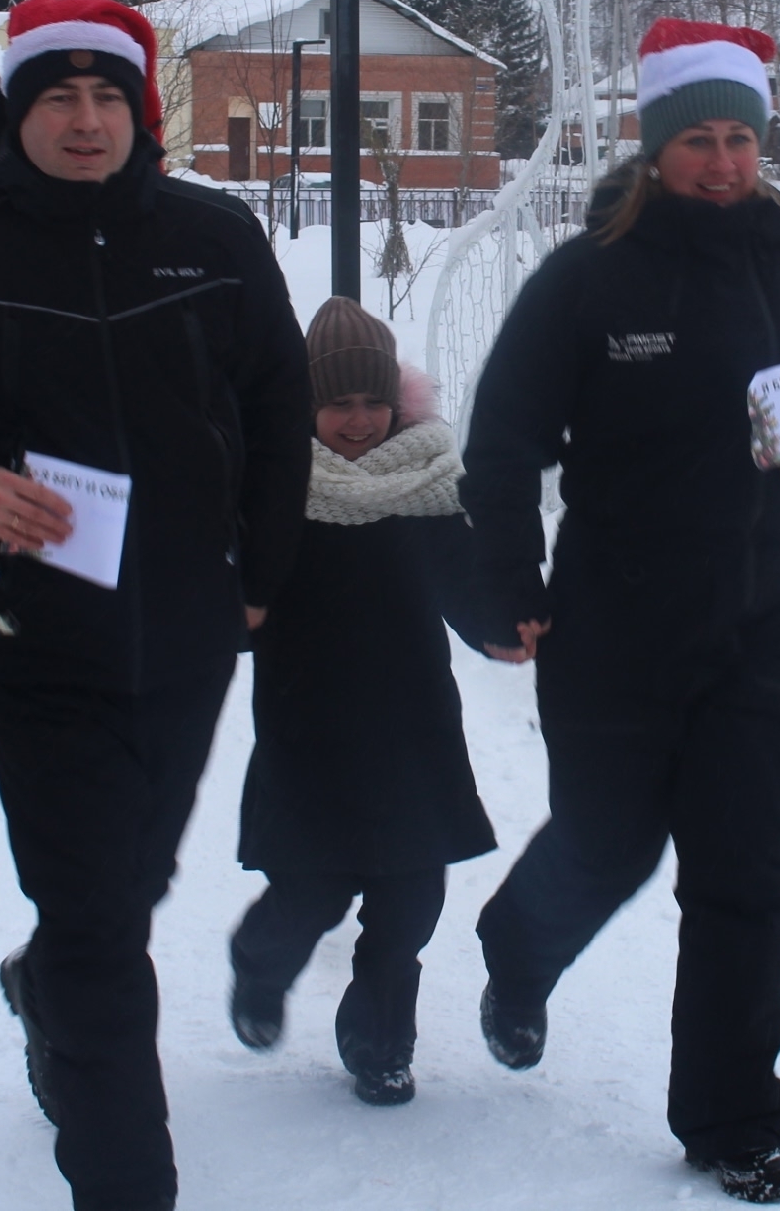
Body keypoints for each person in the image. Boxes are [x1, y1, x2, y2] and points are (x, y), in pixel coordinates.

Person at [0, 0, 311, 1211]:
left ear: (140, 112)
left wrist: (257, 580)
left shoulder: (214, 235)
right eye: (59, 96)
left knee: (125, 885)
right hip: (36, 633)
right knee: (100, 922)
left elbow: (276, 416)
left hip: (192, 630)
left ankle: (44, 985)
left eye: (109, 97)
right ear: (20, 110)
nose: (86, 120)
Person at [461, 19, 780, 1205]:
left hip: (766, 613)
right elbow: (505, 441)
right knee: (610, 844)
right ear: (655, 142)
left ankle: (730, 1121)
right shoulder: (588, 279)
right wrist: (506, 582)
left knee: (747, 872)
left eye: (741, 138)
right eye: (699, 138)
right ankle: (517, 949)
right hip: (613, 622)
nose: (723, 162)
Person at [226, 297, 511, 1108]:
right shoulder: (274, 487)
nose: (357, 421)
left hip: (413, 726)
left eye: (372, 401)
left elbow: (469, 587)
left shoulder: (426, 484)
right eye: (337, 402)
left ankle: (380, 1043)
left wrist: (513, 626)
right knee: (312, 892)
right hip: (306, 728)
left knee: (412, 900)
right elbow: (236, 599)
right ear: (306, 405)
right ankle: (261, 962)